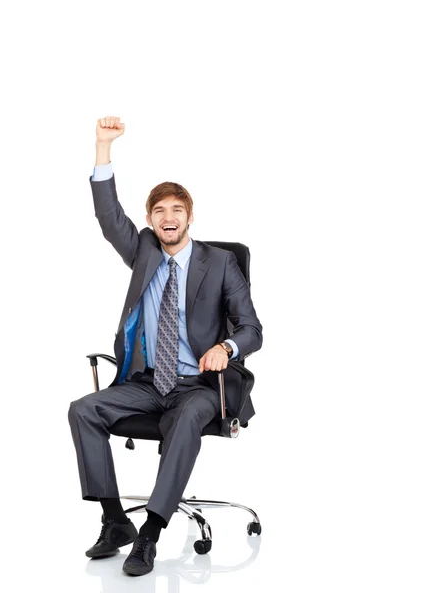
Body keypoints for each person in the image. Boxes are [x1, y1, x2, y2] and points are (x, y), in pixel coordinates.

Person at [68, 116, 263, 577]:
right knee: (82, 409)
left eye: (177, 210)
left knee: (188, 417)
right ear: (151, 219)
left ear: (189, 217)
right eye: (159, 212)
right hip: (146, 383)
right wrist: (102, 148)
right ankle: (115, 521)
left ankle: (150, 535)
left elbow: (253, 328)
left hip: (200, 386)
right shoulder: (143, 251)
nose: (168, 219)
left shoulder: (221, 263)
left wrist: (228, 348)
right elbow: (107, 215)